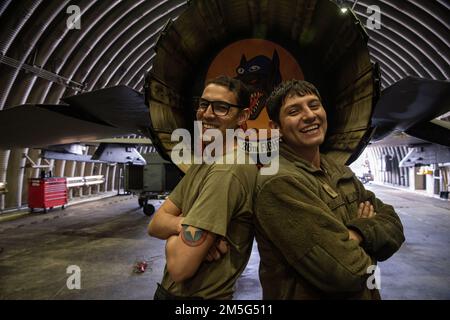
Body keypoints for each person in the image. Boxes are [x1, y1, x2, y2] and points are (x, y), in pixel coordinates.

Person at [254, 79, 405, 299]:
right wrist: (367, 231)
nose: (309, 115)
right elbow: (346, 271)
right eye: (294, 111)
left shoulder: (338, 170)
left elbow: (394, 226)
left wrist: (356, 235)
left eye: (314, 105)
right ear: (275, 128)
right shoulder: (279, 182)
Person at [148, 75, 258, 299]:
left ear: (243, 116)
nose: (207, 114)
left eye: (221, 108)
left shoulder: (227, 170)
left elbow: (180, 266)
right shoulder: (205, 161)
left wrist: (175, 232)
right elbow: (155, 224)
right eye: (204, 104)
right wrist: (184, 226)